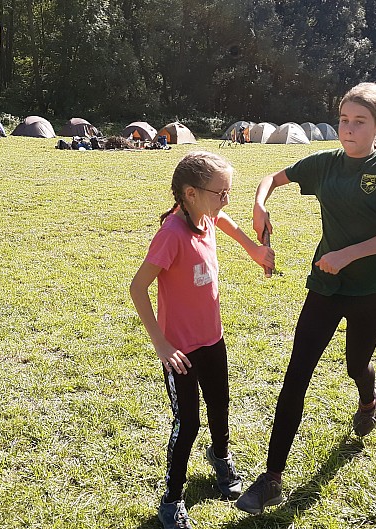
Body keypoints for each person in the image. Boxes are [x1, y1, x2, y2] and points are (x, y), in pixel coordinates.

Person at [236, 82, 376, 515]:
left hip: (372, 287)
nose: (348, 129)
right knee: (296, 374)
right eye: (343, 120)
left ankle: (368, 397)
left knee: (356, 364)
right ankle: (271, 479)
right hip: (326, 285)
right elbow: (272, 177)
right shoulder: (325, 163)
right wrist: (260, 203)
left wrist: (347, 254)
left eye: (359, 122)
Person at [130, 152, 274, 529]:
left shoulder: (206, 217)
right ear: (191, 193)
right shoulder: (171, 235)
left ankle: (220, 456)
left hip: (213, 338)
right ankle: (171, 499)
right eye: (220, 192)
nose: (226, 200)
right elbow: (138, 288)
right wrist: (162, 346)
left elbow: (223, 220)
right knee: (188, 424)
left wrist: (254, 249)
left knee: (220, 404)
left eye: (229, 191)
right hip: (180, 351)